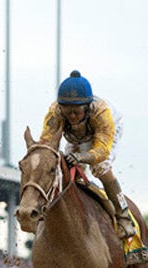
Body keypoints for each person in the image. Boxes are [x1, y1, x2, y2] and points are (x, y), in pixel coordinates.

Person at [40, 70, 135, 239]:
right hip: (77, 137)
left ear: (87, 107)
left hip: (104, 134)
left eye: (77, 111)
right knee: (67, 170)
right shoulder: (55, 112)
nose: (72, 116)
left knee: (100, 167)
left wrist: (82, 158)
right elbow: (46, 141)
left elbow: (102, 151)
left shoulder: (101, 113)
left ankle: (123, 215)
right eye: (67, 111)